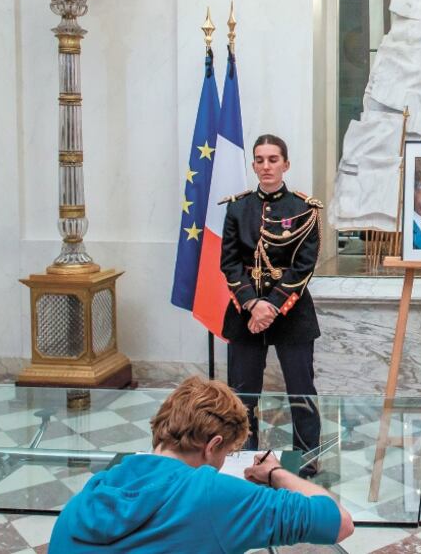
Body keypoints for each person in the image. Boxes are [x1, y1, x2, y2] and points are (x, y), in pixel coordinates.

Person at [49, 376, 354, 553]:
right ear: (212, 446)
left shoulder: (86, 498)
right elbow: (339, 522)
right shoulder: (210, 495)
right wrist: (275, 472)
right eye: (227, 455)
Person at [221, 134, 323, 472]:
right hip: (245, 312)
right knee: (242, 395)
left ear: (286, 164)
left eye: (273, 159)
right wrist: (253, 304)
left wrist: (273, 305)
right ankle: (244, 458)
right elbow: (230, 262)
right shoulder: (238, 207)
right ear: (253, 165)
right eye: (260, 160)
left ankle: (307, 460)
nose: (266, 166)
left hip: (292, 314)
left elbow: (304, 264)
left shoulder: (304, 208)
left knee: (301, 391)